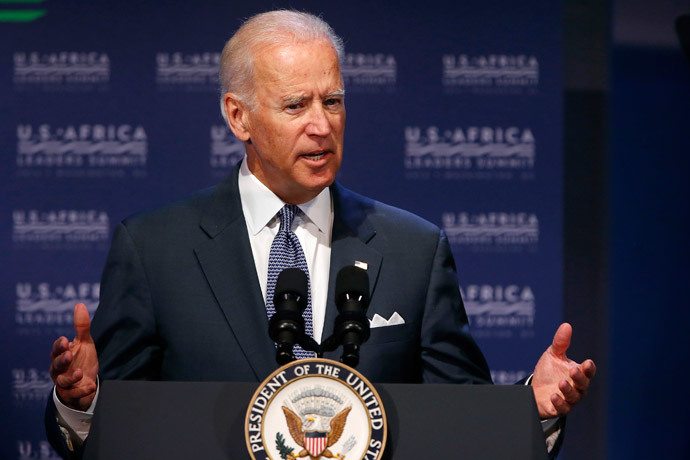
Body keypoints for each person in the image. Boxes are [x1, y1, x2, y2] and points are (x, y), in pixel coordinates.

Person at [46, 10, 596, 460]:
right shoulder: (153, 248)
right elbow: (111, 430)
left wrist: (533, 411)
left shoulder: (413, 249)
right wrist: (83, 404)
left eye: (332, 101)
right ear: (239, 118)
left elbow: (463, 418)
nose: (322, 124)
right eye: (296, 105)